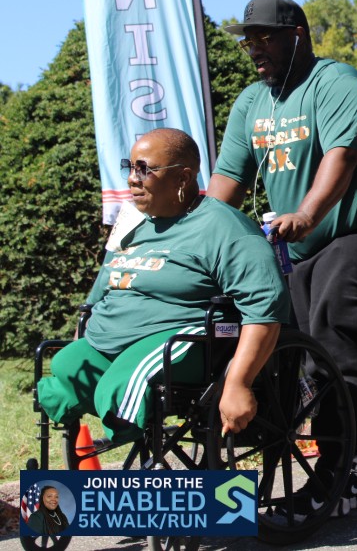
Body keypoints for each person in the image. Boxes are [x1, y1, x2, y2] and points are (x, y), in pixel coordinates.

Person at [208, 0, 357, 513]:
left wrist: (307, 213)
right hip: (298, 248)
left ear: (297, 35)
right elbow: (227, 181)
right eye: (249, 42)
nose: (255, 49)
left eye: (265, 38)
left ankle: (343, 476)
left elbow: (342, 157)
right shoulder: (251, 103)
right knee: (296, 349)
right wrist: (195, 239)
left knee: (332, 338)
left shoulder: (337, 82)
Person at [36, 128, 289, 442]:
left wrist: (238, 382)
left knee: (124, 383)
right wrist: (81, 333)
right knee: (67, 364)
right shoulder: (132, 223)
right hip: (112, 338)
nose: (132, 179)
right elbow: (102, 289)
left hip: (182, 336)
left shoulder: (225, 228)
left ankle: (127, 428)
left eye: (144, 169)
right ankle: (108, 416)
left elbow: (265, 308)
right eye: (130, 168)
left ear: (183, 178)